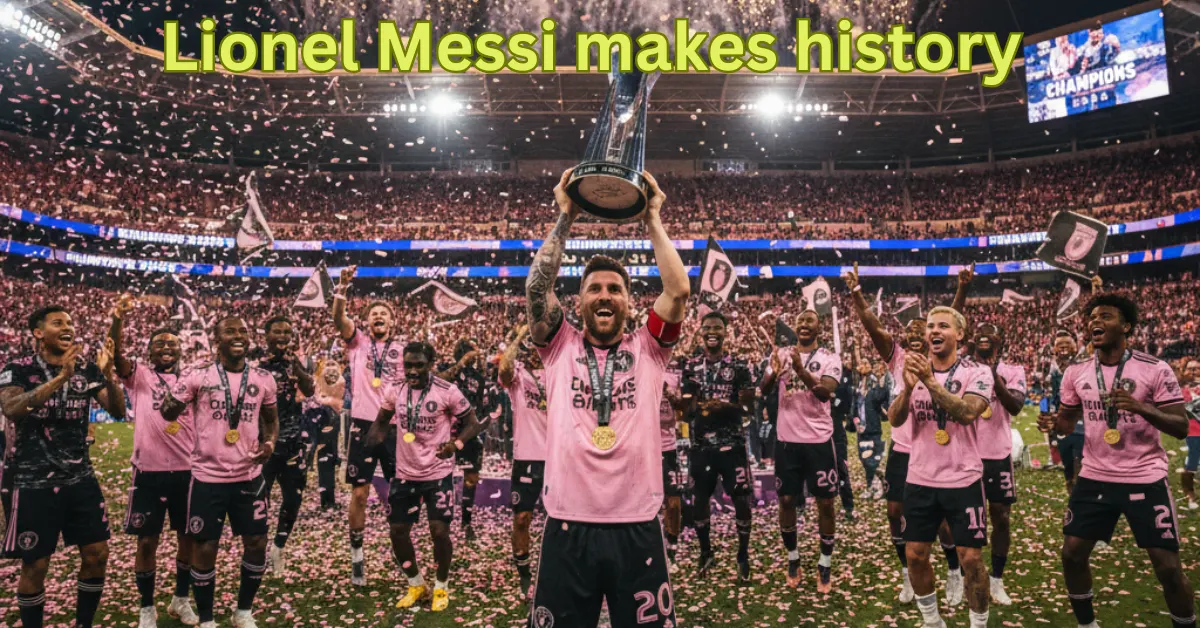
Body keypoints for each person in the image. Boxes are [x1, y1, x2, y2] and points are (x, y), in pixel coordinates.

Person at [524, 168, 688, 626]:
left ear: (630, 303)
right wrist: (565, 217)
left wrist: (653, 218)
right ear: (578, 302)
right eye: (594, 287)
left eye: (615, 289)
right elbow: (537, 289)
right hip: (567, 524)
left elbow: (678, 291)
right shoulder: (559, 346)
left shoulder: (650, 350)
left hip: (637, 524)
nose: (605, 294)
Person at [1039, 294, 1196, 628]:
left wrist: (1141, 407)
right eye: (1092, 317)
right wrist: (1055, 423)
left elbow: (1181, 427)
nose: (1095, 322)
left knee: (1167, 567)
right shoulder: (1077, 372)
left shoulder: (1156, 369)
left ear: (1126, 326)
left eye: (1106, 316)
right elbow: (1067, 424)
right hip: (1096, 475)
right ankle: (1087, 624)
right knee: (1071, 554)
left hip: (1144, 475)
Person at [843, 262, 971, 604]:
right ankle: (907, 575)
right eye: (913, 330)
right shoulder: (897, 358)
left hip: (935, 449)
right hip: (903, 449)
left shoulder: (942, 357)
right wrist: (856, 293)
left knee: (943, 522)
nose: (919, 334)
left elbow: (951, 318)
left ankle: (954, 571)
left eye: (925, 330)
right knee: (894, 514)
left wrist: (962, 289)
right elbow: (873, 328)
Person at [0, 305, 126, 628]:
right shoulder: (18, 367)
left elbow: (117, 410)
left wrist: (108, 373)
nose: (68, 327)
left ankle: (83, 624)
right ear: (38, 333)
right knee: (36, 565)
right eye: (58, 322)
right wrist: (60, 379)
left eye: (70, 322)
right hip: (33, 481)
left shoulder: (86, 369)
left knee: (97, 554)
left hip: (80, 478)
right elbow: (13, 408)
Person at [159, 315, 278, 628]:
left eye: (243, 330)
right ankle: (208, 619)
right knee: (205, 546)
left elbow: (271, 419)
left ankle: (243, 612)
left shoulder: (264, 377)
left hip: (249, 477)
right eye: (230, 331)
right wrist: (178, 393)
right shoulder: (199, 375)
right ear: (217, 339)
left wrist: (270, 442)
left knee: (256, 543)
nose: (238, 335)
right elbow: (167, 410)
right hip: (207, 478)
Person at [887, 306, 994, 628]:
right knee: (915, 554)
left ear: (959, 335)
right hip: (920, 478)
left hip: (963, 479)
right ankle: (933, 623)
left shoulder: (978, 373)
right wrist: (908, 389)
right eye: (930, 326)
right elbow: (894, 419)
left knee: (971, 559)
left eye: (943, 326)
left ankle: (978, 624)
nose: (933, 331)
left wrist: (929, 382)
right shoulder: (911, 369)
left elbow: (966, 413)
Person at [365, 341, 482, 612]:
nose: (413, 370)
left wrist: (456, 445)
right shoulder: (396, 390)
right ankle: (416, 584)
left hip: (438, 473)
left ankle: (441, 586)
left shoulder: (447, 391)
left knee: (439, 532)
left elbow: (473, 423)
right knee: (397, 531)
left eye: (419, 365)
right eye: (408, 365)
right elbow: (381, 421)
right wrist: (370, 441)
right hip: (405, 473)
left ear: (431, 364)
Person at [109, 294, 201, 627]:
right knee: (147, 541)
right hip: (148, 472)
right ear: (149, 351)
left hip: (188, 472)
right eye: (159, 343)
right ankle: (147, 607)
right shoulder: (140, 375)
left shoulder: (192, 378)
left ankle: (180, 599)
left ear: (181, 350)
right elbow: (117, 357)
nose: (166, 347)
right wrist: (118, 319)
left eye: (172, 343)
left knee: (188, 538)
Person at [330, 265, 405, 585]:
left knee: (399, 495)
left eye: (383, 314)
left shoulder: (403, 350)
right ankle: (357, 557)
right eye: (373, 312)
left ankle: (403, 554)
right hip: (362, 424)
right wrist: (342, 289)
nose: (378, 316)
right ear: (368, 321)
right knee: (359, 494)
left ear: (392, 322)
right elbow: (339, 320)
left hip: (393, 426)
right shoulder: (357, 342)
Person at [760, 309, 843, 593]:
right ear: (795, 326)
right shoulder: (781, 353)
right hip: (787, 441)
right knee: (785, 501)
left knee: (826, 503)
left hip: (818, 441)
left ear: (818, 327)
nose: (805, 324)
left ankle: (825, 562)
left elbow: (825, 393)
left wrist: (799, 370)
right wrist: (773, 372)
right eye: (801, 320)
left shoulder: (830, 358)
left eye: (811, 320)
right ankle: (793, 558)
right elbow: (763, 389)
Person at [681, 311, 756, 582]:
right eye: (707, 327)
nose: (712, 332)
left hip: (732, 445)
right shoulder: (690, 366)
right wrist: (689, 406)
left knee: (741, 500)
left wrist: (723, 407)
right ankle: (705, 553)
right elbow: (688, 410)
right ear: (700, 331)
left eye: (717, 328)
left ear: (726, 332)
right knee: (700, 499)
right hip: (701, 447)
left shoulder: (739, 366)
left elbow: (749, 407)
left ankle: (743, 556)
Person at [255, 315, 316, 575]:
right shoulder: (255, 364)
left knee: (293, 499)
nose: (282, 336)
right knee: (259, 501)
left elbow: (310, 390)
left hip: (293, 442)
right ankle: (257, 549)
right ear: (266, 335)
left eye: (287, 332)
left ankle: (278, 548)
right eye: (277, 332)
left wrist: (297, 369)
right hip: (264, 444)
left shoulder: (296, 362)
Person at [971, 322, 1026, 606]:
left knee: (1001, 517)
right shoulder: (963, 368)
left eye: (991, 331)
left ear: (999, 340)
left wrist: (993, 375)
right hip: (966, 454)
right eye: (979, 331)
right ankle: (963, 574)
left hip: (998, 454)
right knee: (966, 519)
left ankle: (997, 579)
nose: (984, 334)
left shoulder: (1013, 370)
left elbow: (1016, 406)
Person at [497, 324, 548, 594]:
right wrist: (518, 335)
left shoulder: (561, 372)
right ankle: (525, 574)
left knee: (561, 519)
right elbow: (504, 368)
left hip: (559, 458)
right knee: (521, 518)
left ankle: (557, 569)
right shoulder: (519, 374)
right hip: (527, 457)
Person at [438, 338, 492, 541]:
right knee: (443, 476)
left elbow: (482, 406)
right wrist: (459, 365)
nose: (470, 358)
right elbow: (436, 380)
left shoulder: (478, 377)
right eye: (466, 355)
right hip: (445, 433)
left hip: (469, 435)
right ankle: (443, 518)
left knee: (471, 478)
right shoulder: (446, 370)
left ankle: (467, 522)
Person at [1042, 330, 1084, 493]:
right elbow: (1045, 395)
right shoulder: (1049, 368)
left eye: (1068, 343)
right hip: (1060, 422)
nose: (1064, 347)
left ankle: (1081, 503)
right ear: (1054, 348)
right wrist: (1045, 414)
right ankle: (1073, 504)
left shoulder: (1083, 364)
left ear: (1076, 346)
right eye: (1060, 344)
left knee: (1079, 465)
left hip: (1082, 422)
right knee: (1068, 471)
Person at [660, 354, 686, 567]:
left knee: (674, 501)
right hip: (641, 447)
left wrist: (667, 393)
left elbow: (682, 409)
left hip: (668, 447)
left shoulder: (674, 375)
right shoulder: (635, 371)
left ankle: (672, 545)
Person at [313, 360, 345, 511]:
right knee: (326, 461)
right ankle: (327, 501)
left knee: (327, 461)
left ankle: (328, 500)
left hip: (329, 417)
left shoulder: (321, 380)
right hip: (327, 417)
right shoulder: (337, 380)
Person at [858, 359, 889, 500]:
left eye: (866, 363)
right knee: (864, 460)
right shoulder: (859, 382)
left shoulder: (875, 382)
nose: (863, 366)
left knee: (872, 460)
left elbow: (879, 398)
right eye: (861, 363)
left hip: (873, 427)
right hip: (861, 428)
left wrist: (881, 380)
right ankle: (872, 485)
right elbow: (856, 403)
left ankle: (879, 485)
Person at [1180, 359, 1200, 510]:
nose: (1193, 371)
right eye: (1190, 369)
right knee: (1192, 463)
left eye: (1197, 368)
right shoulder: (1179, 390)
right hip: (1193, 431)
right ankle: (1190, 495)